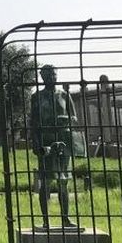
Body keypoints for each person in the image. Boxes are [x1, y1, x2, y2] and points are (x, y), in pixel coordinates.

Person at [28, 64, 78, 228]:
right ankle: (45, 220)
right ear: (42, 77)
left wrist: (64, 121)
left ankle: (66, 218)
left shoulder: (65, 94)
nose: (51, 78)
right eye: (47, 75)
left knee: (64, 181)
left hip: (63, 141)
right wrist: (36, 143)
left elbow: (74, 118)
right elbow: (33, 122)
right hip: (46, 141)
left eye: (53, 74)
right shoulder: (37, 97)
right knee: (46, 181)